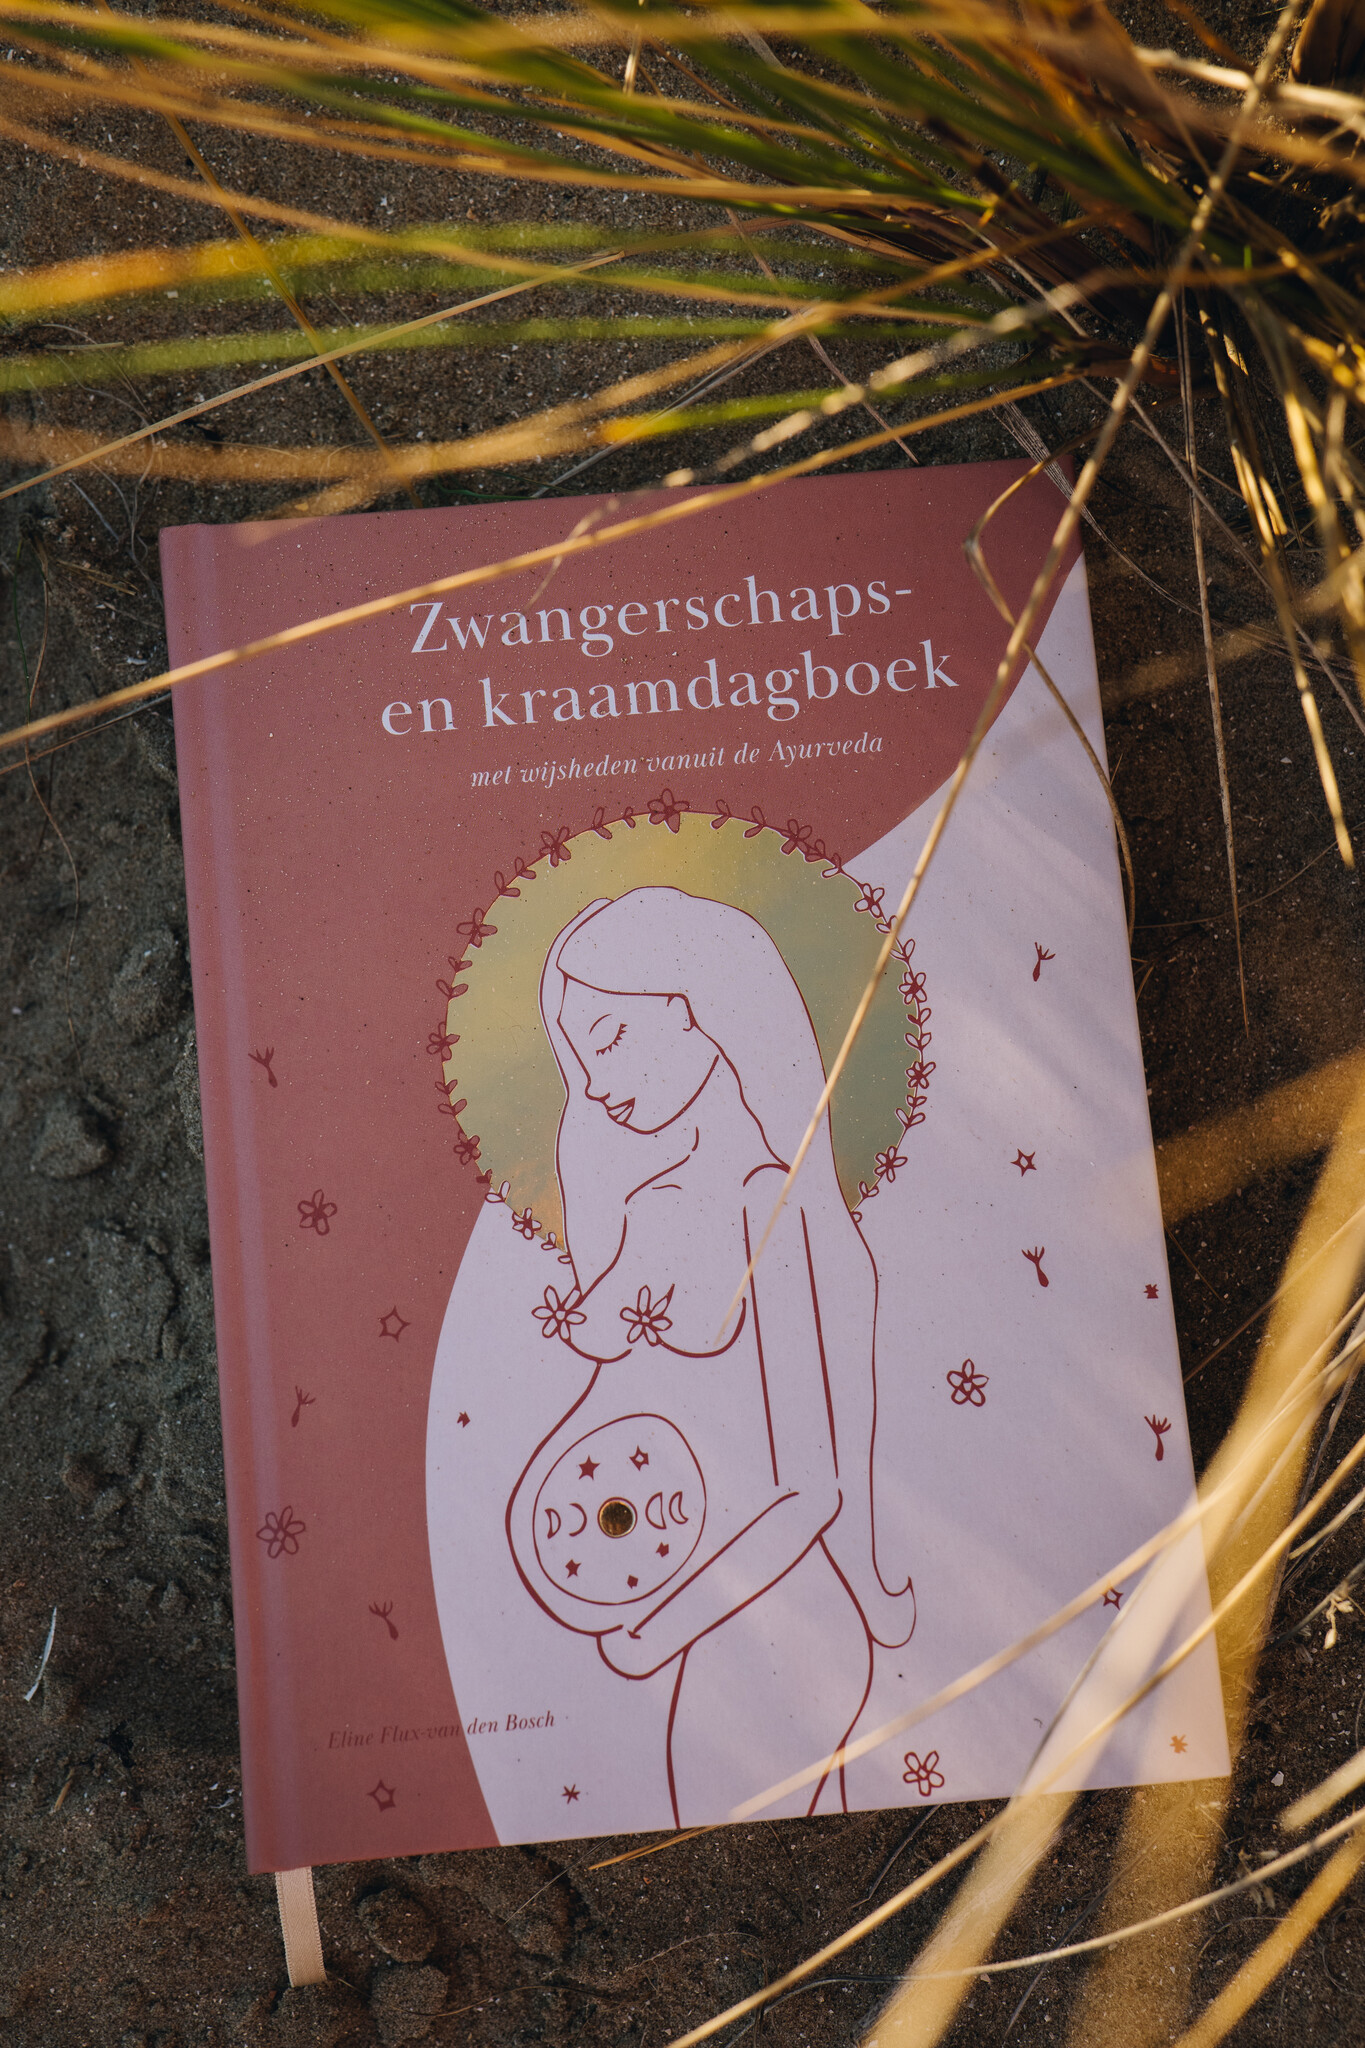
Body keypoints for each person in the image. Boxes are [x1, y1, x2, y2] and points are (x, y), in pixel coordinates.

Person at [505, 886, 913, 1823]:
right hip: (714, 1609)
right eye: (577, 1055)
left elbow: (809, 1489)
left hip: (780, 1622)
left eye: (609, 1039)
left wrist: (650, 1632)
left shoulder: (768, 1199)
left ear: (696, 1008)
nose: (592, 1083)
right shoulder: (646, 1204)